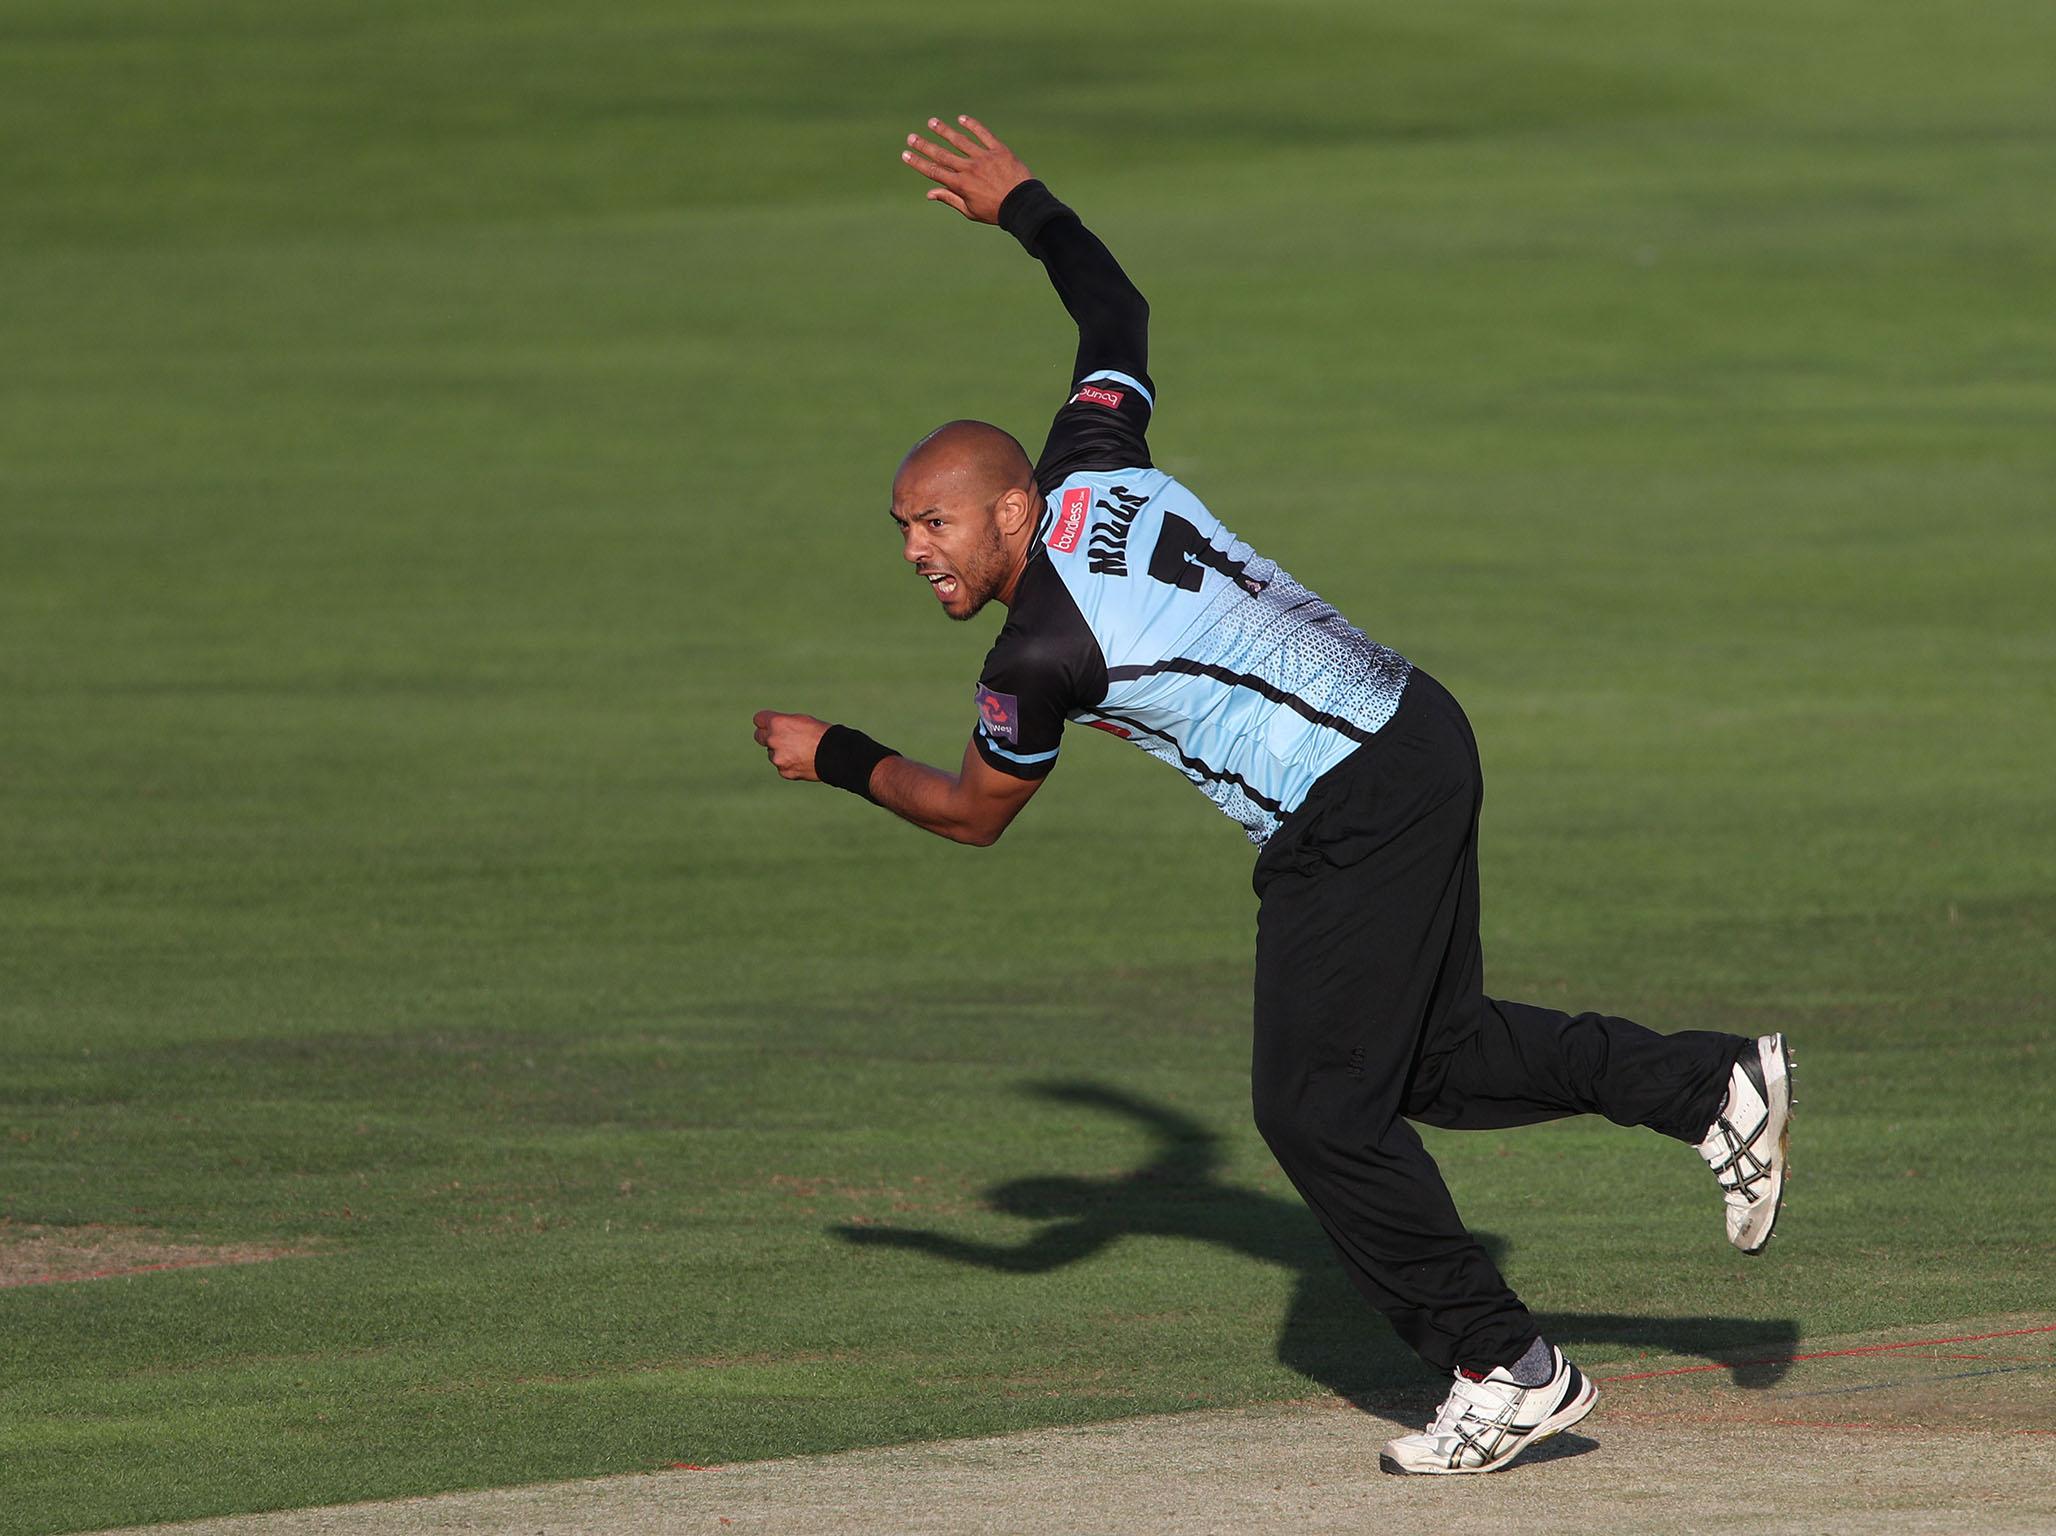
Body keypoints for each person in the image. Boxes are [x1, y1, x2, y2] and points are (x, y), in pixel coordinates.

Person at [751, 115, 1794, 1476]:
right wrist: (1027, 206)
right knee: (1435, 1058)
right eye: (900, 526)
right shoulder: (1093, 458)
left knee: (1315, 1112)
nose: (914, 550)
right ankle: (1712, 1084)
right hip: (1417, 731)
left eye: (934, 522)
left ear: (1009, 511)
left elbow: (972, 811)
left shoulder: (1040, 653)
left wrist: (833, 753)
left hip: (1347, 805)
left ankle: (1506, 1364)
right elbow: (1114, 307)